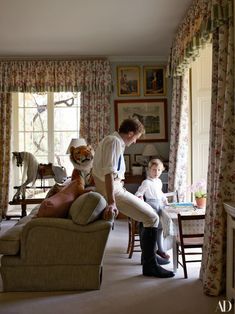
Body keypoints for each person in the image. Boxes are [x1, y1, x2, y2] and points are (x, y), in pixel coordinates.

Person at [92, 118, 174, 278]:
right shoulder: (114, 142)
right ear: (130, 133)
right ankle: (150, 265)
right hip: (113, 191)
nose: (136, 141)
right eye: (136, 137)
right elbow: (108, 173)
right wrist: (111, 202)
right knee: (152, 217)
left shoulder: (112, 141)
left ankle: (148, 258)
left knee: (149, 216)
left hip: (115, 188)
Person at [135, 158, 170, 260]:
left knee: (160, 229)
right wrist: (140, 197)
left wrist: (165, 199)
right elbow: (139, 192)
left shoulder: (159, 181)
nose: (156, 172)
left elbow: (160, 193)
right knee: (153, 229)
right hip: (151, 206)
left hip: (160, 206)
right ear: (149, 170)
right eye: (154, 170)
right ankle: (153, 251)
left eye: (159, 170)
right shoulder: (146, 182)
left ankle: (161, 249)